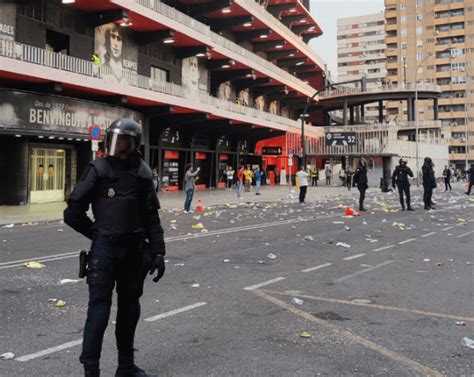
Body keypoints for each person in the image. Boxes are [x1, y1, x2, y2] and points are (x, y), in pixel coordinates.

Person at [63, 118, 165, 377]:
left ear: (132, 143)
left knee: (130, 309)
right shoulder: (98, 168)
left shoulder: (142, 173)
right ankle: (91, 371)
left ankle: (126, 366)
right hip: (105, 252)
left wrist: (159, 251)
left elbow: (151, 216)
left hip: (132, 252)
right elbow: (73, 212)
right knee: (99, 310)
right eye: (113, 137)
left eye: (121, 139)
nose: (115, 143)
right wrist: (98, 234)